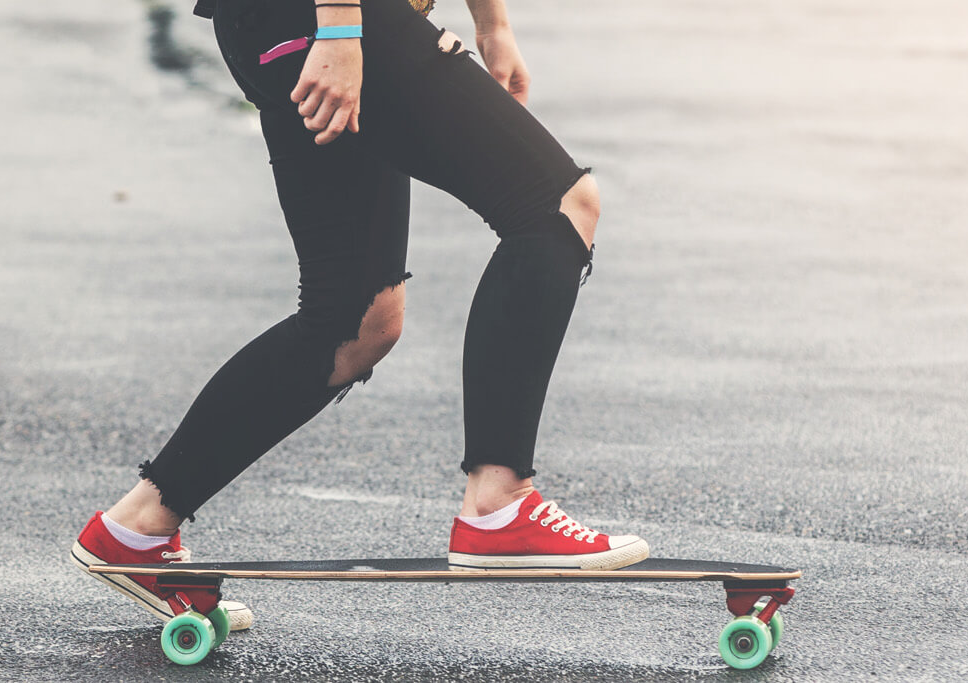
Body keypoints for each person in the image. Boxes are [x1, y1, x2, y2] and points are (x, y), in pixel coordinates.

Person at [70, 0, 649, 632]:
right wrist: (342, 29)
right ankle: (499, 504)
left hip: (275, 23)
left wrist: (492, 23)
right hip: (337, 20)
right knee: (557, 207)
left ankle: (135, 528)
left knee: (354, 321)